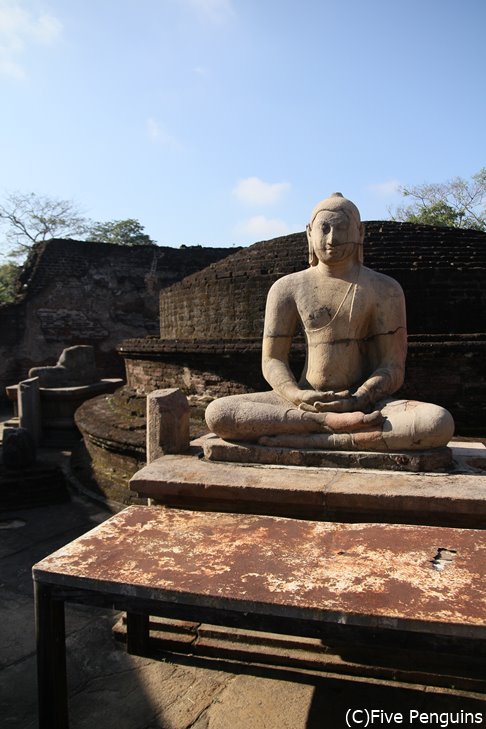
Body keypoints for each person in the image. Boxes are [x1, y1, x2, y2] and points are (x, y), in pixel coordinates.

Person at [205, 193, 454, 451]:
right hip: (303, 402)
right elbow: (272, 360)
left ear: (360, 233)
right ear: (309, 234)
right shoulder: (287, 288)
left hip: (365, 404)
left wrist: (361, 397)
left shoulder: (384, 289)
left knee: (438, 422)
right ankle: (324, 424)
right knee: (218, 413)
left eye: (342, 228)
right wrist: (296, 394)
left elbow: (392, 366)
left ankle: (318, 436)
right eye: (324, 229)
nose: (332, 239)